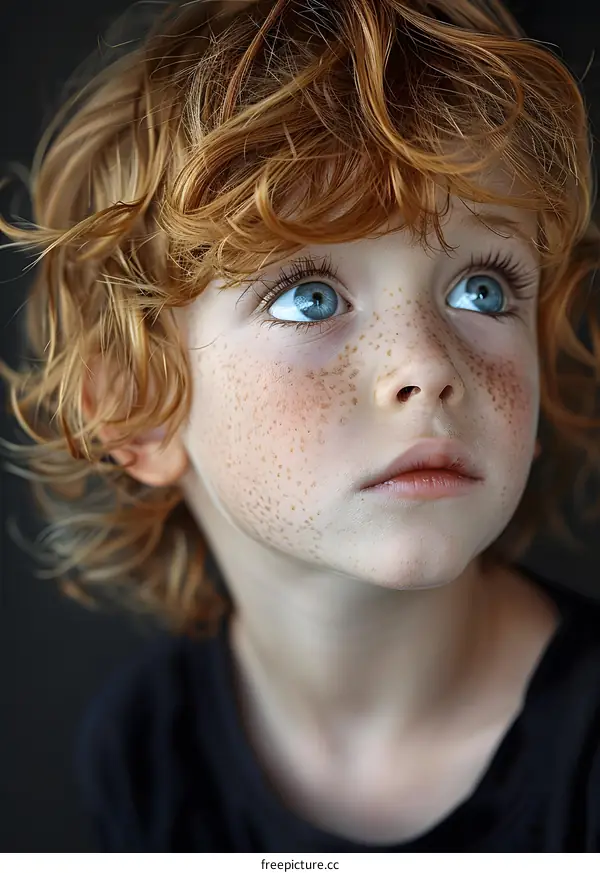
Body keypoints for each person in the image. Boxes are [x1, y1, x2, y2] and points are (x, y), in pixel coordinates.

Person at [2, 0, 600, 852]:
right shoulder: (144, 752)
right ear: (138, 409)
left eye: (483, 290)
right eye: (309, 297)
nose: (428, 365)